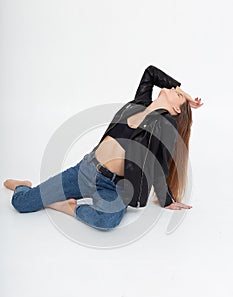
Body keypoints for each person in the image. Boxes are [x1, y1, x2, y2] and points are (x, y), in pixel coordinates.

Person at [3, 65, 203, 231]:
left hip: (114, 186)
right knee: (21, 203)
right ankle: (24, 185)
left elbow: (160, 164)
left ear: (176, 109)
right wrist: (182, 91)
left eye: (178, 95)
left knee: (107, 221)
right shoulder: (138, 104)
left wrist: (166, 199)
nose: (174, 90)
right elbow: (150, 72)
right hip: (86, 169)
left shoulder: (165, 124)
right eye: (175, 89)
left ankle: (65, 207)